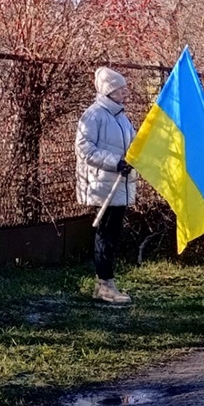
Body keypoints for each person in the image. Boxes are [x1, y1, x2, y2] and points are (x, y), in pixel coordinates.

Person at [75, 66, 137, 305]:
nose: (125, 92)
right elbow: (84, 149)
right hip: (103, 184)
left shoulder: (120, 117)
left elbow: (130, 145)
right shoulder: (94, 115)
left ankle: (107, 283)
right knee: (106, 235)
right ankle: (104, 285)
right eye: (120, 88)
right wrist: (114, 163)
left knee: (112, 234)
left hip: (119, 183)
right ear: (109, 90)